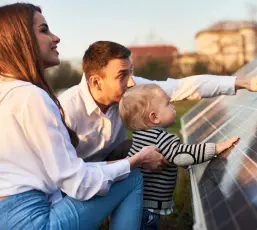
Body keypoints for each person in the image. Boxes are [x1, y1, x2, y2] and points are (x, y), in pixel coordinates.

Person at [0, 3, 167, 230]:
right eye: (44, 30)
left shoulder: (7, 92)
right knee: (131, 178)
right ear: (20, 39)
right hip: (33, 221)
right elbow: (76, 184)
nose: (56, 38)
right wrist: (134, 162)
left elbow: (63, 174)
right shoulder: (31, 96)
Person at [58, 41, 257, 163]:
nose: (131, 83)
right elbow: (65, 174)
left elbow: (183, 86)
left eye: (131, 72)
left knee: (152, 147)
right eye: (122, 76)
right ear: (96, 83)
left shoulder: (131, 88)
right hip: (77, 179)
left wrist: (244, 82)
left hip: (112, 162)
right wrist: (132, 164)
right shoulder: (65, 111)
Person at [118, 84, 241, 229]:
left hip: (135, 205)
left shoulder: (140, 137)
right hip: (146, 211)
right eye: (168, 104)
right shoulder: (160, 138)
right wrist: (216, 148)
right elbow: (182, 155)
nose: (173, 107)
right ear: (154, 117)